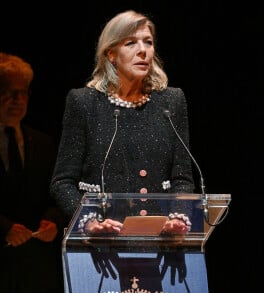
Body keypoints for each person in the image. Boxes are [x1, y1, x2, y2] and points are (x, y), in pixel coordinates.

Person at [50, 10, 195, 235]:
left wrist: (178, 217)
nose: (142, 51)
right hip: (102, 245)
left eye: (148, 42)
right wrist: (90, 223)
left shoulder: (171, 101)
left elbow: (182, 178)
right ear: (111, 54)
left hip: (162, 241)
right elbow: (62, 182)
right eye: (130, 43)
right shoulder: (84, 102)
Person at [0, 52, 65, 293]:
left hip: (35, 275)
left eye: (24, 92)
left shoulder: (43, 143)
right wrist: (4, 229)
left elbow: (56, 197)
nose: (18, 99)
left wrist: (52, 223)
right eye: (8, 91)